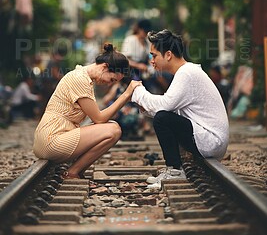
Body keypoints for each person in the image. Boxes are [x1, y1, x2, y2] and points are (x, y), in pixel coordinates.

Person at [131, 29, 229, 189]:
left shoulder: (186, 74)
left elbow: (164, 106)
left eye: (154, 55)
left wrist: (138, 92)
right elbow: (167, 107)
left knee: (162, 119)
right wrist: (143, 103)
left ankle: (175, 172)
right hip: (209, 137)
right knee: (163, 116)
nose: (151, 61)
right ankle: (174, 169)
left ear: (168, 55)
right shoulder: (186, 72)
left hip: (211, 140)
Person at [33, 43, 141, 179]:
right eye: (111, 79)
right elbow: (99, 119)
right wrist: (126, 95)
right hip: (51, 139)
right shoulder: (80, 79)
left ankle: (75, 171)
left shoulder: (83, 77)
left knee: (111, 127)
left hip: (52, 136)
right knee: (113, 130)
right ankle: (72, 172)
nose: (109, 83)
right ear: (105, 67)